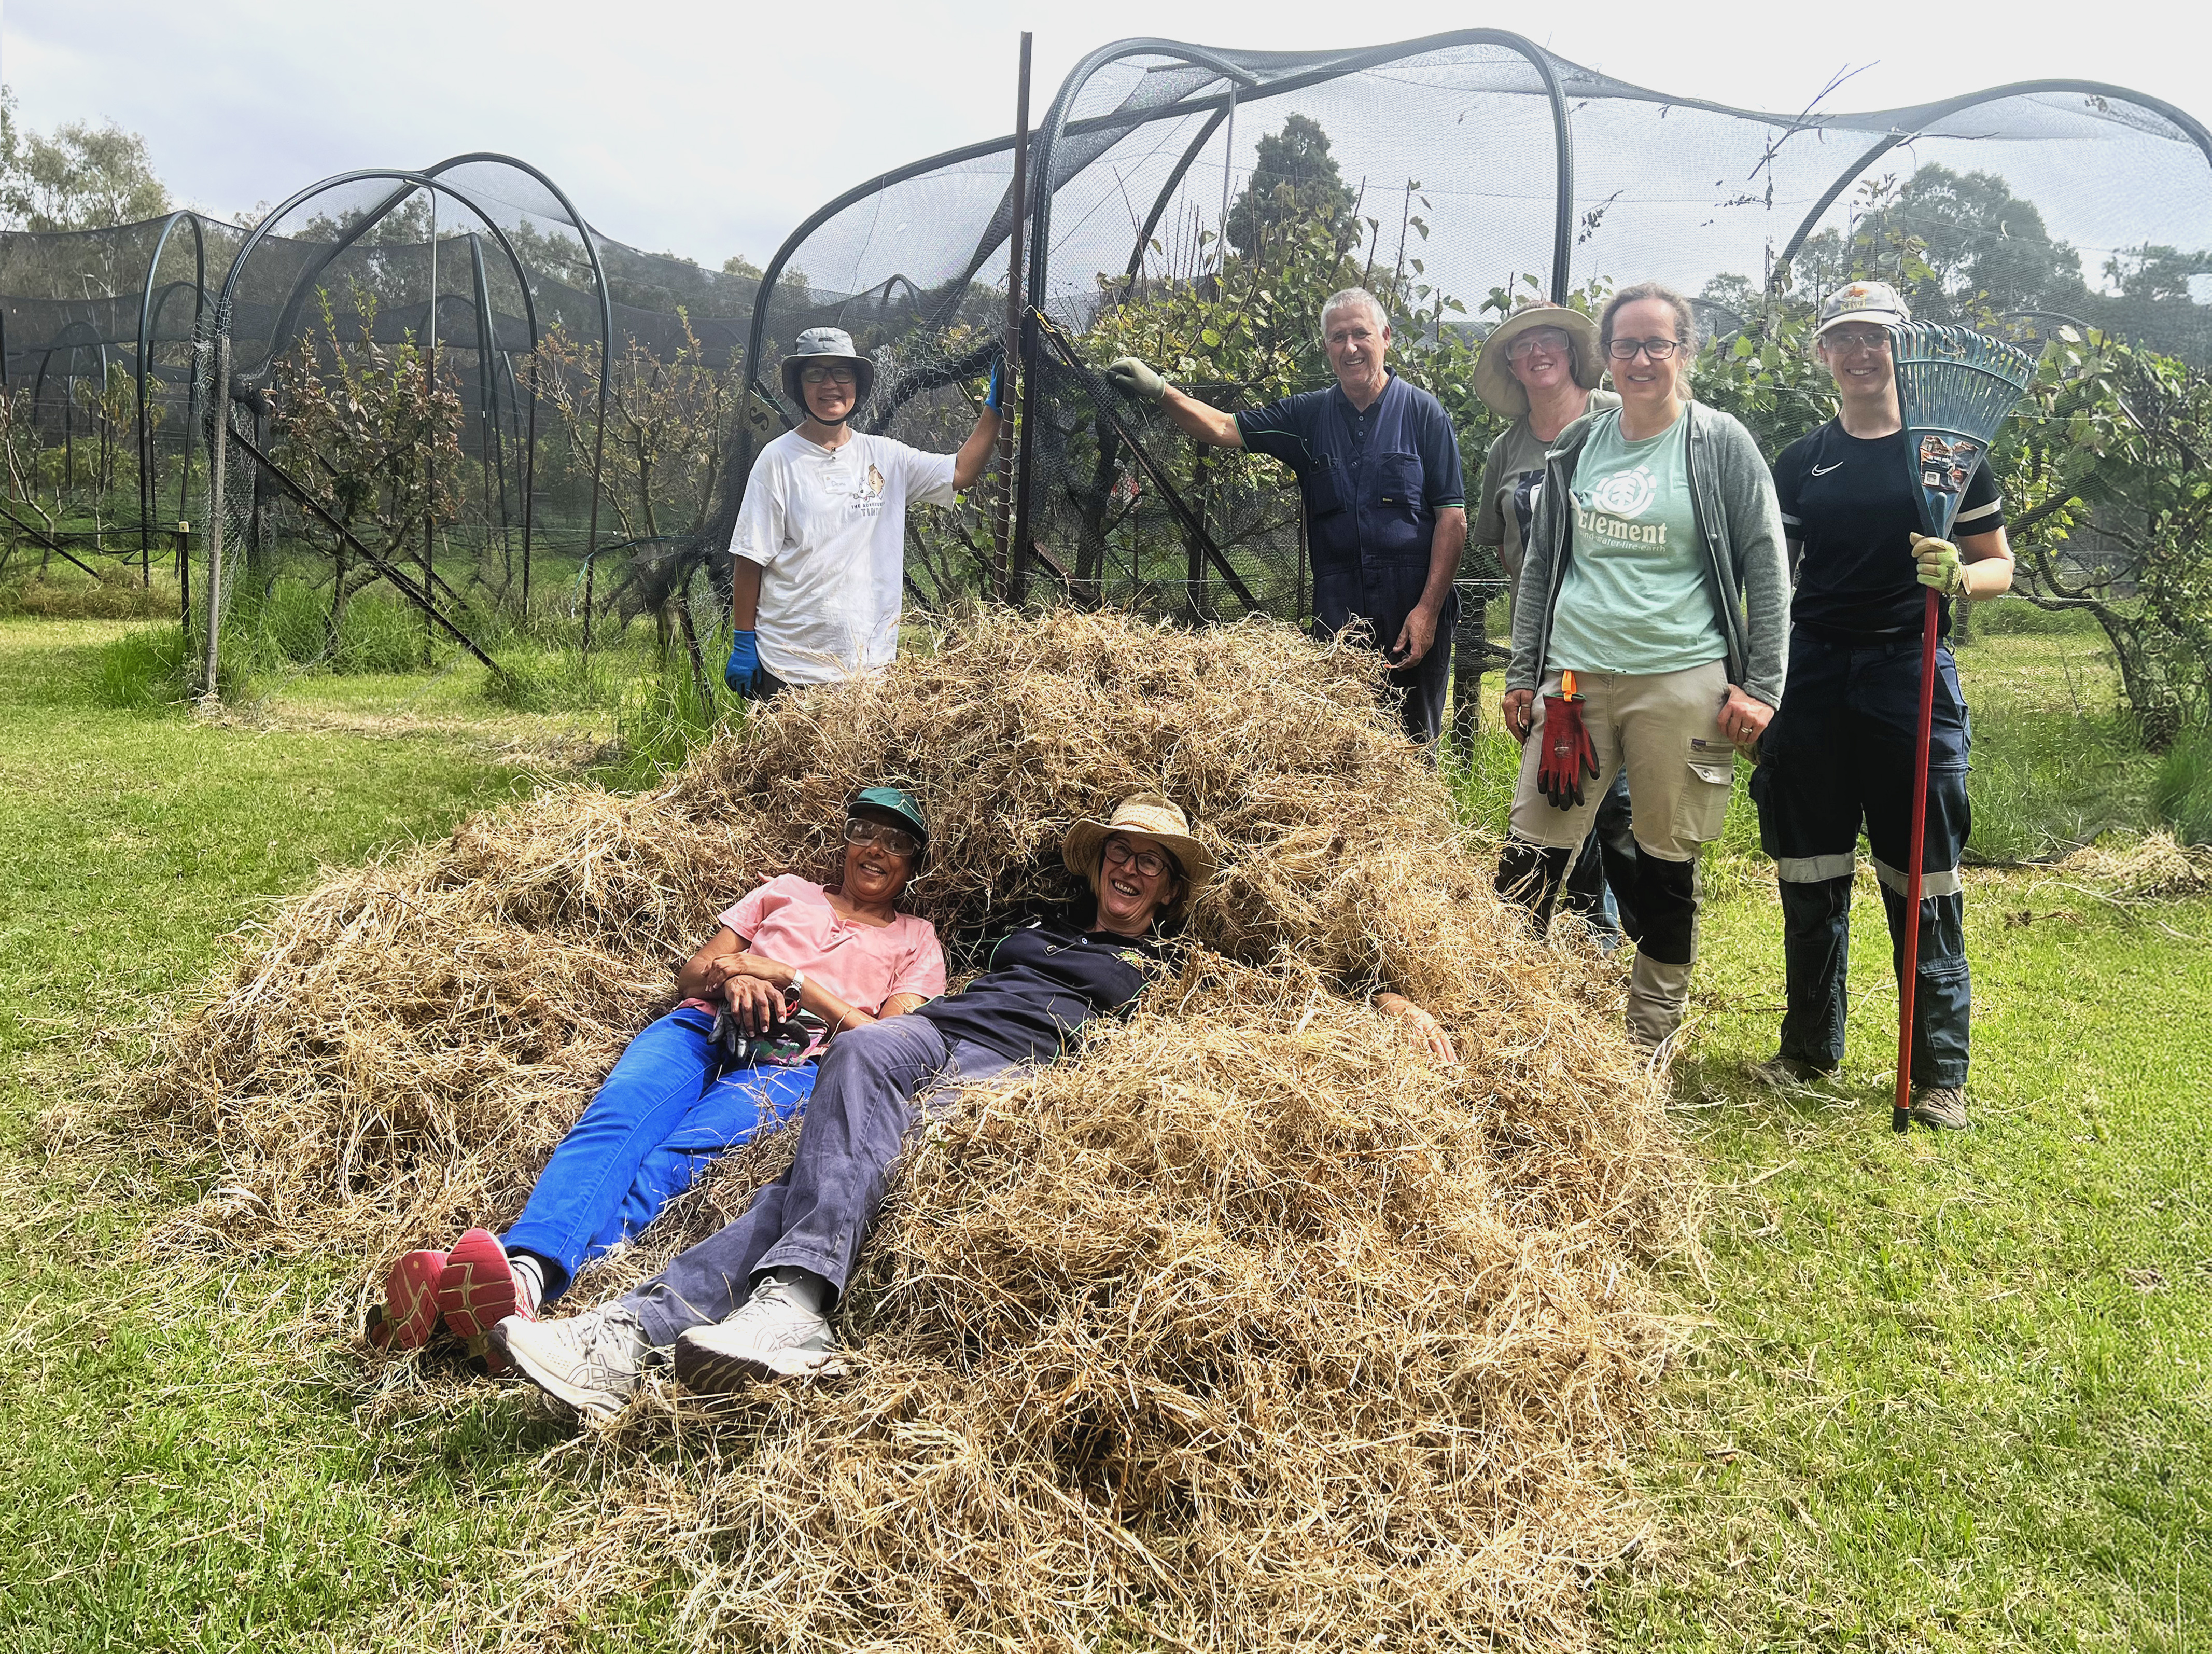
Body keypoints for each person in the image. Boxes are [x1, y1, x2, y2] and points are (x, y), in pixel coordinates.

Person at [487, 793, 1459, 1417]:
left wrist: (1388, 998)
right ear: (1097, 864)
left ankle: (642, 1331)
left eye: (1150, 861)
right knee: (863, 1049)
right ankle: (774, 1310)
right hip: (934, 1032)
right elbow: (900, 1006)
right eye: (1118, 851)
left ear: (1169, 888)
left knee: (821, 1174)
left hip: (1012, 1067)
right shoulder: (1029, 928)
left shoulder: (1174, 964)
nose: (1129, 867)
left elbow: (1284, 988)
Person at [367, 787, 946, 1358]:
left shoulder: (916, 939)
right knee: (616, 1124)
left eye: (895, 842)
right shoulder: (787, 892)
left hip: (794, 1065)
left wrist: (788, 978)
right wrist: (734, 976)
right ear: (843, 843)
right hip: (704, 1027)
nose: (876, 848)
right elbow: (693, 973)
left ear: (912, 864)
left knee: (677, 1160)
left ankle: (495, 1295)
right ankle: (522, 1275)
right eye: (863, 832)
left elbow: (881, 1042)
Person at [1494, 281, 1789, 1052]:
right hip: (1572, 685)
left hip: (1679, 680)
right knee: (1528, 858)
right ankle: (1497, 1021)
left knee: (1664, 871)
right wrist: (1522, 671)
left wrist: (1762, 687)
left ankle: (1643, 1047)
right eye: (1625, 345)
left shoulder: (1717, 442)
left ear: (1684, 353)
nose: (1641, 359)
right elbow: (1541, 569)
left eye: (1657, 343)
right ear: (1606, 357)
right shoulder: (1577, 448)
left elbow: (1766, 564)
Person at [1749, 281, 2012, 1130]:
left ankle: (1939, 1070)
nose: (1861, 353)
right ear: (1823, 353)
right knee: (1811, 866)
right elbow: (1771, 578)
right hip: (1815, 675)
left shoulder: (1948, 453)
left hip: (1910, 673)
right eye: (1844, 338)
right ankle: (1808, 1044)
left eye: (1877, 338)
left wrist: (1961, 576)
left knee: (1922, 872)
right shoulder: (1801, 460)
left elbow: (1999, 561)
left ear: (1905, 350)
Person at [1101, 289, 1468, 748]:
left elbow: (1452, 520)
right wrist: (1161, 390)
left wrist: (1428, 611)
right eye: (1338, 337)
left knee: (1415, 753)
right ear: (1327, 349)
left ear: (1386, 338)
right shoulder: (1306, 416)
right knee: (1341, 754)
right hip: (1341, 622)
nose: (1350, 346)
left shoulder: (1424, 414)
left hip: (1411, 611)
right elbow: (1223, 426)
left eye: (1361, 333)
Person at [1469, 297, 1636, 949]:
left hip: (1617, 638)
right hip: (1546, 645)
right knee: (1562, 776)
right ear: (1511, 364)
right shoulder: (1505, 451)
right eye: (1521, 345)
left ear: (1572, 353)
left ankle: (1615, 926)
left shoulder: (1616, 421)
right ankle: (1570, 920)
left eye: (1550, 341)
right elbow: (1504, 546)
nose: (1536, 352)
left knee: (1616, 792)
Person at [724, 329, 1006, 698]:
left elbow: (959, 472)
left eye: (842, 373)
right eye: (815, 374)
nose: (830, 385)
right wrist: (744, 641)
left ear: (857, 385)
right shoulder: (778, 461)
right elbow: (750, 559)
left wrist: (995, 408)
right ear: (799, 386)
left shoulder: (886, 457)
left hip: (868, 674)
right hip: (791, 671)